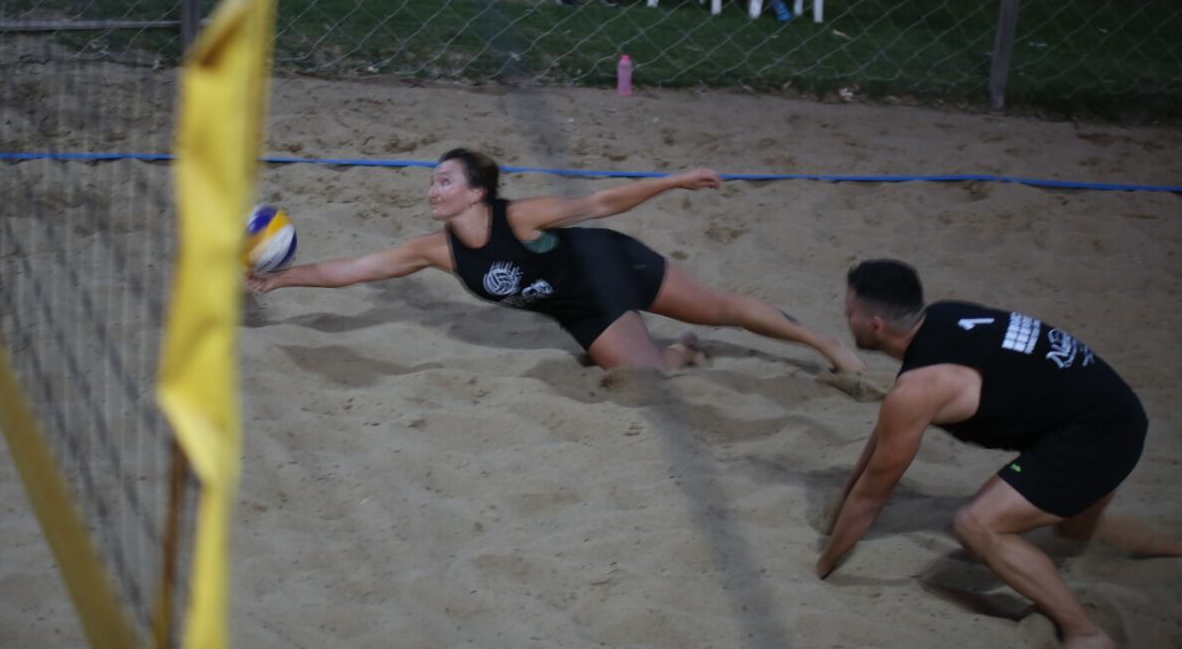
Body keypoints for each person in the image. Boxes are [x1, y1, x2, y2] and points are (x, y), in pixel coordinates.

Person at [818, 259, 1182, 649]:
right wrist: (845, 494)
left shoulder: (918, 389)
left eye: (850, 309)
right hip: (1116, 410)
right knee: (1073, 528)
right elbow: (886, 433)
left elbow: (876, 493)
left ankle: (1084, 632)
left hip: (1097, 436)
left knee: (977, 525)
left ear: (876, 326)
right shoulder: (944, 316)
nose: (845, 314)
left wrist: (823, 566)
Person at [246, 148, 865, 375]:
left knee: (724, 308)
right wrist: (282, 276)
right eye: (433, 183)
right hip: (579, 310)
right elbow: (353, 270)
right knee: (646, 377)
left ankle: (825, 345)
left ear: (475, 192)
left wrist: (673, 180)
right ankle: (683, 351)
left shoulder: (521, 216)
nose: (432, 191)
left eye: (443, 182)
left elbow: (601, 201)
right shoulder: (436, 252)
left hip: (611, 267)